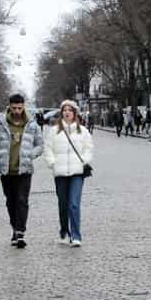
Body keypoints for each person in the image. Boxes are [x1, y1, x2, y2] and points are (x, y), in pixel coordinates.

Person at [0, 93, 44, 248]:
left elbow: (40, 145)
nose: (17, 111)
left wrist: (30, 155)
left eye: (20, 108)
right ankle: (14, 228)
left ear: (23, 106)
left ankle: (20, 232)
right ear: (9, 107)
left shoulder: (32, 124)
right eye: (14, 108)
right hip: (7, 171)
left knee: (22, 200)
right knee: (11, 202)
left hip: (24, 170)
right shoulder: (0, 124)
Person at [45, 99, 94, 247]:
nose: (67, 112)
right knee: (63, 204)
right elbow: (48, 148)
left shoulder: (83, 131)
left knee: (74, 204)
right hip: (60, 172)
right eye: (64, 110)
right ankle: (64, 232)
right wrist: (52, 163)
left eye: (70, 110)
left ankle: (76, 235)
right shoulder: (54, 131)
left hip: (77, 172)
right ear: (61, 113)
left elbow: (89, 148)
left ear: (74, 113)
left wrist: (84, 161)